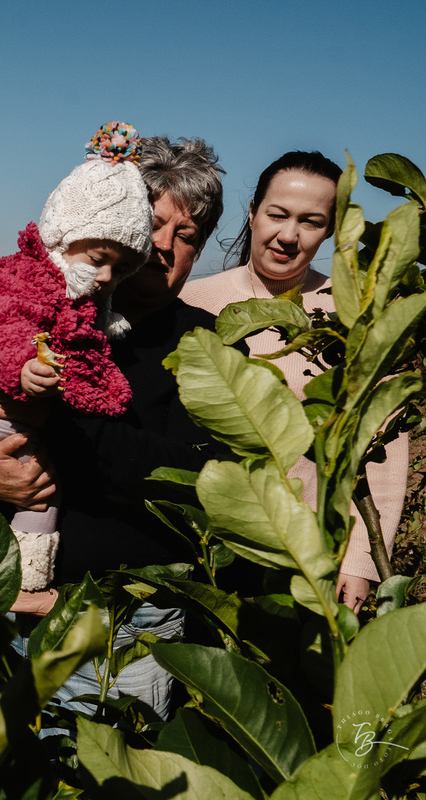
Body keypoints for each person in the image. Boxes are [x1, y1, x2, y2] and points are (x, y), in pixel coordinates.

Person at [0, 134, 227, 721]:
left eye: (188, 237)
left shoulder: (209, 346)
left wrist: (61, 418)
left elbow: (200, 474)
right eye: (152, 224)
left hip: (116, 627)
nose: (162, 248)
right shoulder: (52, 301)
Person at [0, 122, 151, 600]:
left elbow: (89, 362)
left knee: (17, 470)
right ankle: (27, 576)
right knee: (39, 480)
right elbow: (5, 329)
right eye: (100, 258)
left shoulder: (83, 298)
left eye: (123, 269)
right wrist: (23, 370)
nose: (107, 277)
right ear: (62, 236)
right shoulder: (14, 277)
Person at [180, 150, 409, 613]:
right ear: (253, 212)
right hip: (200, 550)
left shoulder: (356, 315)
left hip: (313, 560)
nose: (288, 235)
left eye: (311, 221)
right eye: (277, 214)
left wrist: (362, 561)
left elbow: (386, 445)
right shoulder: (192, 302)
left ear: (330, 230)